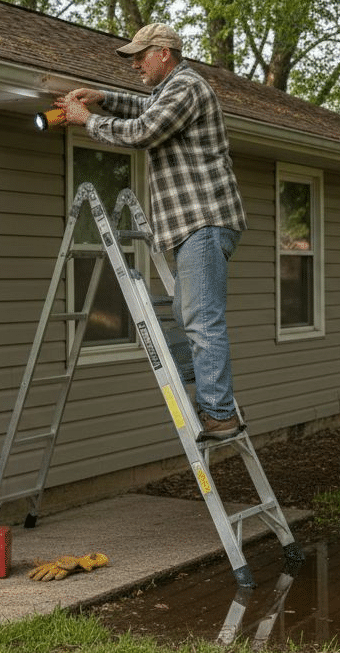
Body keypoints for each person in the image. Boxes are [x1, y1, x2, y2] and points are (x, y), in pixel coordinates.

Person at [56, 23, 246, 441]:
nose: (137, 64)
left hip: (203, 221)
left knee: (201, 321)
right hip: (192, 226)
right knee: (190, 316)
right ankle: (221, 400)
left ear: (164, 53)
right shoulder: (170, 91)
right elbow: (145, 108)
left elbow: (144, 130)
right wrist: (104, 99)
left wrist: (87, 120)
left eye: (141, 56)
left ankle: (219, 413)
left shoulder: (188, 87)